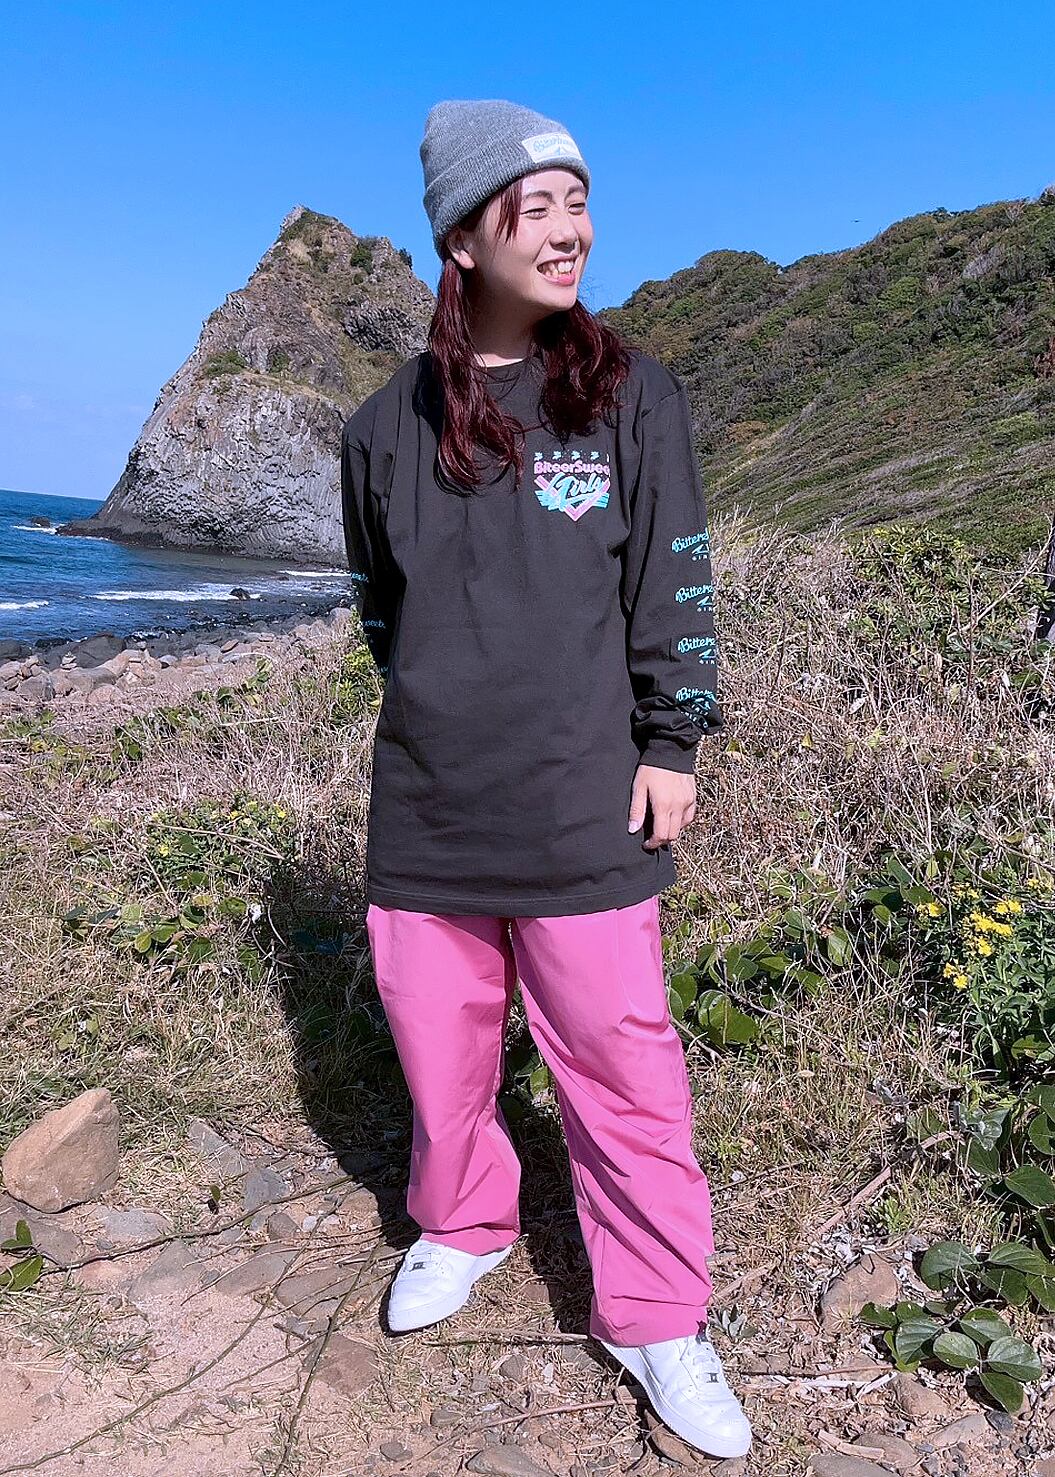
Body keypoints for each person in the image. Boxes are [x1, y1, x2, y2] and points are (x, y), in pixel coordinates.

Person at [339, 98, 752, 1460]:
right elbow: (382, 608)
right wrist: (450, 702)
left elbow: (675, 578)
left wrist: (672, 740)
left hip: (587, 801)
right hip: (431, 810)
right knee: (441, 1051)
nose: (572, 229)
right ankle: (465, 1220)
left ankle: (656, 1314)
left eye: (581, 201)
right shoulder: (382, 426)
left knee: (623, 1066)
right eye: (540, 206)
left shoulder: (632, 395)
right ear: (463, 238)